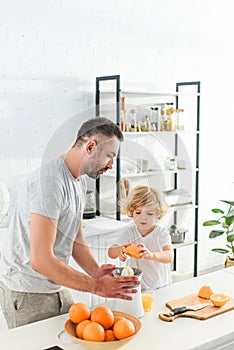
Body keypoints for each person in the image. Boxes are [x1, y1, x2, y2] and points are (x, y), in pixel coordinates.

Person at [0, 116, 140, 329]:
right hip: (28, 289)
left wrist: (95, 271)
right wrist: (97, 287)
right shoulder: (50, 182)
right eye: (109, 156)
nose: (112, 165)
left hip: (55, 285)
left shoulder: (78, 180)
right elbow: (40, 260)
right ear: (91, 146)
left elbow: (74, 236)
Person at [108, 185, 174, 290]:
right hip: (138, 288)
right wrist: (120, 250)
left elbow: (169, 256)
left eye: (149, 213)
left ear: (158, 214)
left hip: (161, 286)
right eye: (138, 212)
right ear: (132, 212)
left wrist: (152, 255)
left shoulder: (162, 233)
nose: (143, 217)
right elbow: (111, 252)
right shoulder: (129, 232)